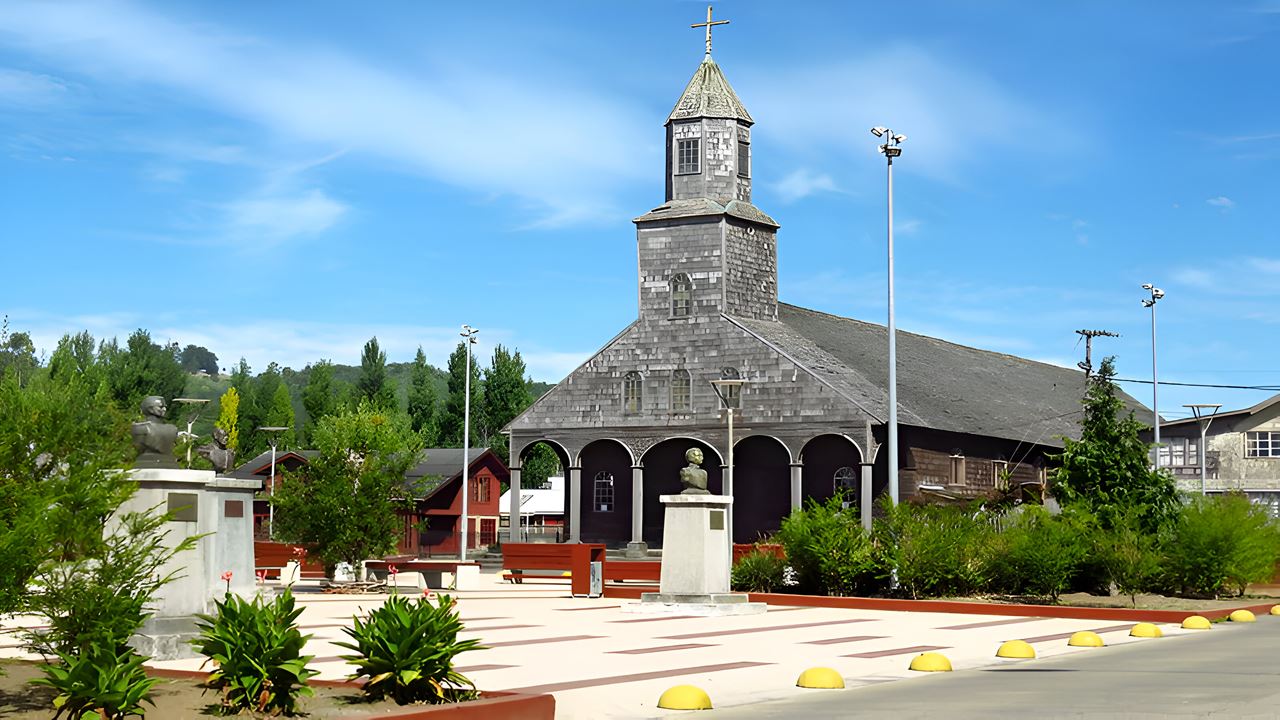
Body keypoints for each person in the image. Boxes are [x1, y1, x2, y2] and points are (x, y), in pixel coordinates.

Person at [131, 395, 179, 468]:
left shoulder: (172, 429)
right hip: (146, 464)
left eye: (165, 407)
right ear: (150, 409)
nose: (164, 409)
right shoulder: (140, 428)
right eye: (160, 407)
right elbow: (138, 447)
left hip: (166, 463)